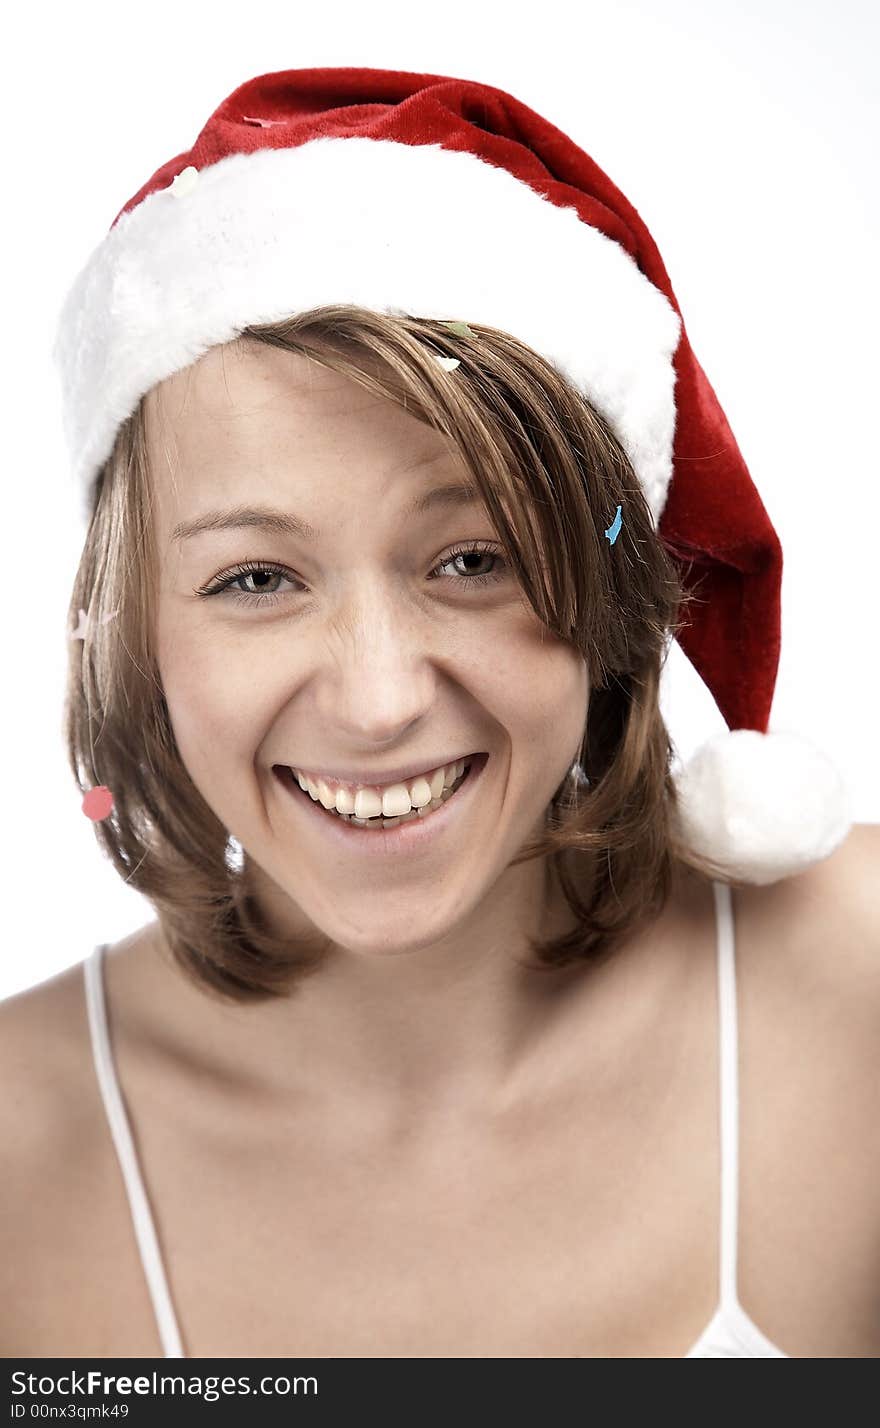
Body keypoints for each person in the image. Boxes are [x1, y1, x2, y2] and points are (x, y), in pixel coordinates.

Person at [1, 67, 877, 1360]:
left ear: (614, 582)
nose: (374, 701)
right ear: (136, 630)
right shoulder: (21, 1157)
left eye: (472, 559)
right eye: (255, 578)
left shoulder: (856, 983)